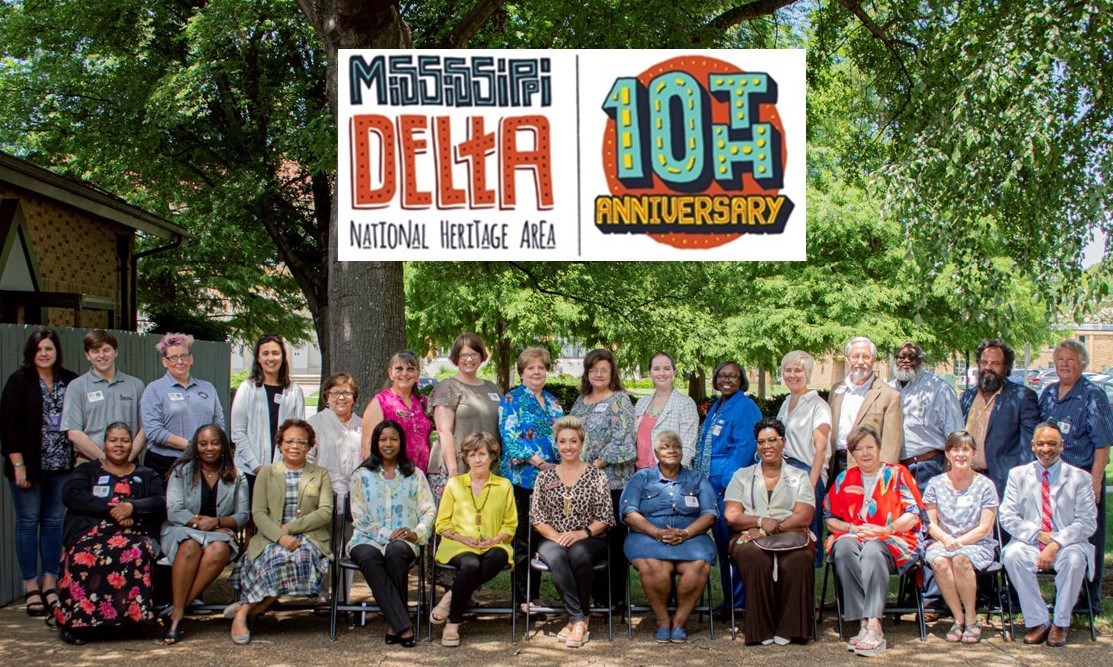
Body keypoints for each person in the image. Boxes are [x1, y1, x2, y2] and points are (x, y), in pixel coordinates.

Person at [53, 422, 166, 645]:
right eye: (113, 440)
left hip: (133, 532)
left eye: (124, 440)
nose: (118, 445)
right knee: (82, 554)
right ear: (104, 444)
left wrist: (132, 507)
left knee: (136, 550)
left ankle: (132, 623)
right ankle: (77, 625)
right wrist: (113, 509)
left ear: (132, 445)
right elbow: (72, 495)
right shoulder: (88, 471)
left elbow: (161, 501)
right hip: (90, 532)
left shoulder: (146, 474)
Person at [228, 418, 333, 645]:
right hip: (271, 536)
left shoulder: (321, 473)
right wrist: (281, 536)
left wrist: (291, 528)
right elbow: (258, 513)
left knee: (299, 557)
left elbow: (325, 512)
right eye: (289, 441)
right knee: (272, 558)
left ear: (309, 446)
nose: (295, 446)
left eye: (301, 442)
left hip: (309, 537)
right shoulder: (266, 473)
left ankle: (245, 610)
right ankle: (245, 613)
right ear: (280, 444)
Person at [823, 425, 922, 657]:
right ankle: (863, 622)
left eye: (870, 447)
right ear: (852, 453)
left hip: (893, 537)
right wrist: (851, 528)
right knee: (843, 547)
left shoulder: (898, 474)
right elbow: (829, 518)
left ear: (878, 448)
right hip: (854, 535)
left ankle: (875, 624)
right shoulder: (844, 478)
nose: (865, 453)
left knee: (872, 550)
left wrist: (885, 529)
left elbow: (913, 514)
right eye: (859, 449)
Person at [1, 328, 78, 620]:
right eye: (39, 349)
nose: (44, 354)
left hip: (62, 466)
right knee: (27, 521)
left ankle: (49, 581)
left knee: (54, 523)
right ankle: (30, 584)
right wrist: (18, 466)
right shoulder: (19, 381)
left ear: (57, 351)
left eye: (49, 348)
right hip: (28, 467)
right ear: (30, 353)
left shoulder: (69, 380)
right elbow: (8, 427)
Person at [1000, 422, 1097, 647]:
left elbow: (1087, 522)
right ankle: (1038, 620)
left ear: (1061, 445)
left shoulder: (1080, 478)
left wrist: (1055, 543)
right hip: (1030, 541)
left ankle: (1061, 623)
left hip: (1068, 542)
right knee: (1013, 556)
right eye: (1041, 444)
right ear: (1033, 445)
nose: (1046, 449)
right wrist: (1037, 534)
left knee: (1074, 560)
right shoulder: (1018, 475)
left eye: (1052, 443)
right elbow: (1007, 516)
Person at [1036, 339, 1113, 615]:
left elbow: (1102, 443)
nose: (1064, 364)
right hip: (1052, 481)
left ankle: (1087, 602)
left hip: (1082, 480)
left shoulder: (1093, 395)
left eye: (1070, 360)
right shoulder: (1048, 393)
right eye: (1060, 359)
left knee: (1087, 538)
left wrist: (1096, 480)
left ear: (1082, 364)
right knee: (1059, 537)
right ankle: (1062, 597)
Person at [724, 417, 816, 646]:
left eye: (772, 440)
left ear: (783, 441)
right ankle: (760, 629)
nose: (767, 446)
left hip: (791, 535)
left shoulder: (800, 476)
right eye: (761, 441)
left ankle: (791, 628)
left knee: (798, 559)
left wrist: (768, 530)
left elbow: (804, 515)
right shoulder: (742, 476)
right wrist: (759, 521)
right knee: (754, 557)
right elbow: (732, 515)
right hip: (747, 534)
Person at [621, 430, 717, 643]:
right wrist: (656, 532)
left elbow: (710, 514)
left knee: (699, 564)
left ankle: (680, 622)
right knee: (654, 566)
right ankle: (663, 621)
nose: (671, 450)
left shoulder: (697, 478)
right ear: (656, 453)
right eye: (665, 447)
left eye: (676, 446)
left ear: (682, 451)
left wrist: (686, 533)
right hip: (647, 536)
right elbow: (629, 513)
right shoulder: (642, 478)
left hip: (691, 536)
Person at [348, 419, 436, 648]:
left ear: (401, 442)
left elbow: (428, 509)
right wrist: (388, 534)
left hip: (405, 539)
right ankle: (402, 624)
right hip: (367, 537)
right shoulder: (361, 475)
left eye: (393, 439)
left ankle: (395, 624)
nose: (388, 444)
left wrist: (417, 533)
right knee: (368, 556)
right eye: (383, 439)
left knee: (395, 553)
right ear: (375, 443)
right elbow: (359, 517)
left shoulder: (414, 475)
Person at [160, 424, 250, 644]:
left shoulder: (236, 475)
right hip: (182, 529)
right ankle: (178, 614)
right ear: (196, 446)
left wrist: (217, 522)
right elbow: (174, 511)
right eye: (203, 444)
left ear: (223, 446)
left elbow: (242, 515)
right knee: (190, 545)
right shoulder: (181, 471)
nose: (209, 448)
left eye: (214, 443)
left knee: (219, 549)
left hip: (219, 534)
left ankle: (176, 610)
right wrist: (204, 524)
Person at [530, 416, 614, 648]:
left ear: (581, 443)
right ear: (556, 444)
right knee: (557, 556)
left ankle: (576, 620)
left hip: (589, 537)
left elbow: (605, 517)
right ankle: (579, 619)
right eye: (563, 441)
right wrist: (558, 537)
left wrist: (580, 534)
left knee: (578, 554)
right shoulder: (545, 476)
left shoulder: (596, 475)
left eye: (573, 441)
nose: (568, 446)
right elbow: (537, 518)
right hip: (552, 537)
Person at [430, 431, 517, 647]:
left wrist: (495, 539)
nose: (477, 460)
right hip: (457, 544)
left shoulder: (504, 485)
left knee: (499, 556)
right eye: (472, 455)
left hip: (493, 543)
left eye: (482, 454)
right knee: (470, 564)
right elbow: (442, 524)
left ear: (492, 456)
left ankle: (450, 598)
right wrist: (463, 538)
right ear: (466, 458)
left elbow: (510, 525)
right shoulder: (454, 484)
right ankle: (453, 623)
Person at [499, 346, 564, 612]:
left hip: (551, 482)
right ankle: (522, 599)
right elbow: (511, 440)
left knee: (540, 538)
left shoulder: (553, 402)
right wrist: (540, 463)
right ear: (522, 372)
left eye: (541, 367)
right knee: (524, 539)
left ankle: (535, 596)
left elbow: (562, 437)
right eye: (530, 368)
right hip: (523, 480)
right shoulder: (511, 399)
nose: (536, 372)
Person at [570, 348, 635, 612]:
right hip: (583, 484)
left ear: (612, 373)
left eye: (604, 370)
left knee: (613, 540)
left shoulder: (620, 400)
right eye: (593, 369)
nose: (598, 374)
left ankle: (614, 599)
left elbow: (624, 441)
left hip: (612, 483)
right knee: (589, 539)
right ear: (587, 373)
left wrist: (593, 466)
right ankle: (593, 596)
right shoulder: (580, 401)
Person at [693, 360, 761, 611]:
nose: (726, 380)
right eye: (721, 375)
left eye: (732, 376)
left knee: (734, 544)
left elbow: (744, 449)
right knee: (723, 546)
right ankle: (731, 600)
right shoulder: (719, 405)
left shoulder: (746, 408)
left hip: (727, 488)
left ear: (741, 380)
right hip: (709, 485)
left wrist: (726, 485)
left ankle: (740, 602)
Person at [922, 430, 999, 644]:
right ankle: (958, 618)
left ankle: (972, 619)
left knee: (960, 558)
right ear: (947, 454)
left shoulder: (985, 485)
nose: (961, 455)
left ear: (973, 453)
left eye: (966, 450)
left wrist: (958, 543)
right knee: (939, 561)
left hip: (977, 543)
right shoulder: (935, 484)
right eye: (956, 450)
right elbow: (930, 523)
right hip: (943, 541)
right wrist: (946, 540)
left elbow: (985, 528)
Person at [959, 338, 1040, 497]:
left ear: (1006, 367)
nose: (988, 367)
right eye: (984, 362)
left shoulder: (1022, 397)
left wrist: (1022, 486)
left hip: (1003, 485)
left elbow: (1028, 448)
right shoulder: (968, 397)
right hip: (968, 481)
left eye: (995, 363)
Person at [141, 333, 226, 479]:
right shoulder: (154, 389)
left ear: (191, 359)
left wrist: (209, 447)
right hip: (165, 463)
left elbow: (219, 424)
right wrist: (193, 446)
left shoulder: (208, 388)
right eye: (173, 357)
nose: (180, 361)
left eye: (184, 356)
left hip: (204, 461)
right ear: (164, 361)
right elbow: (153, 431)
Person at [429, 333, 503, 497]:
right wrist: (453, 472)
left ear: (482, 356)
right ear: (456, 357)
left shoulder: (492, 388)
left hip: (485, 468)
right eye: (463, 355)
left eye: (474, 354)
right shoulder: (448, 387)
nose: (469, 359)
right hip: (454, 468)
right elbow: (443, 431)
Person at [231, 334, 306, 494]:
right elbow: (238, 433)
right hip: (249, 471)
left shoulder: (294, 391)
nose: (270, 358)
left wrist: (283, 465)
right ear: (258, 358)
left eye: (275, 353)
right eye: (265, 353)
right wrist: (257, 467)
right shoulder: (247, 389)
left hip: (283, 472)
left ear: (283, 357)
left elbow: (298, 434)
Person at [775, 350, 832, 562]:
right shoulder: (786, 401)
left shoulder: (818, 406)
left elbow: (821, 448)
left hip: (807, 471)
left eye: (798, 370)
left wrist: (811, 484)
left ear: (807, 373)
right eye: (788, 370)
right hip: (784, 470)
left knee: (806, 531)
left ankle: (809, 573)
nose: (792, 375)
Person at [61, 329, 147, 463]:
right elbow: (73, 432)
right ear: (87, 355)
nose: (101, 355)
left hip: (128, 462)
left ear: (115, 352)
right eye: (95, 351)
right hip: (89, 462)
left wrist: (126, 458)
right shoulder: (77, 386)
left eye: (106, 350)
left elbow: (145, 428)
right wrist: (106, 460)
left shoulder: (136, 385)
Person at [890, 342, 964, 491]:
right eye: (902, 357)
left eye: (912, 357)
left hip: (928, 468)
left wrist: (951, 473)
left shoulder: (938, 389)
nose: (906, 361)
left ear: (921, 360)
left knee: (928, 507)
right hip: (895, 470)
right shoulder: (889, 389)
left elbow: (956, 436)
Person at [827, 337, 903, 480]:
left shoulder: (889, 395)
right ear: (848, 359)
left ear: (873, 360)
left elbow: (891, 446)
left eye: (866, 357)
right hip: (835, 466)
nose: (860, 361)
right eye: (855, 356)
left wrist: (883, 478)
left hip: (869, 469)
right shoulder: (836, 390)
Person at [361, 350, 432, 473]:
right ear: (390, 373)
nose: (404, 373)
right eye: (399, 369)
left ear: (417, 373)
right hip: (391, 477)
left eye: (410, 369)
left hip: (421, 476)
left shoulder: (424, 402)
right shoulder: (380, 402)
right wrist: (377, 476)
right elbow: (367, 445)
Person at [633, 351, 699, 469]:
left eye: (667, 368)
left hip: (669, 475)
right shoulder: (641, 403)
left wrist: (670, 475)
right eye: (656, 369)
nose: (662, 373)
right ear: (650, 372)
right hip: (639, 474)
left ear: (674, 372)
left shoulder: (685, 403)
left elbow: (688, 448)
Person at [307, 372, 363, 506]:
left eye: (347, 393)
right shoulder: (315, 423)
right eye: (335, 393)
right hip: (324, 495)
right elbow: (307, 459)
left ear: (354, 398)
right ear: (327, 397)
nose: (341, 397)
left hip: (357, 496)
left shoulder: (362, 424)